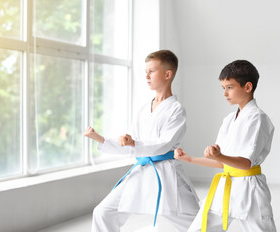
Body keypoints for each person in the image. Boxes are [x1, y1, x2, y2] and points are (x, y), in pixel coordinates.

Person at [84, 50, 199, 232]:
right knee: (103, 212)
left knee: (198, 224)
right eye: (145, 71)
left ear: (168, 74)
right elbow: (130, 145)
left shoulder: (176, 110)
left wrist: (134, 144)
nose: (146, 75)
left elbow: (165, 143)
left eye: (151, 71)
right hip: (142, 170)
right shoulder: (144, 109)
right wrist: (101, 139)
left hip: (166, 173)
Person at [175, 60, 276, 232]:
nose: (225, 93)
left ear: (248, 87)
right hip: (225, 185)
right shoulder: (229, 120)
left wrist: (219, 156)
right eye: (223, 88)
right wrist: (189, 159)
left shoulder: (257, 118)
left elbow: (245, 163)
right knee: (199, 229)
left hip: (250, 189)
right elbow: (222, 164)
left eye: (229, 87)